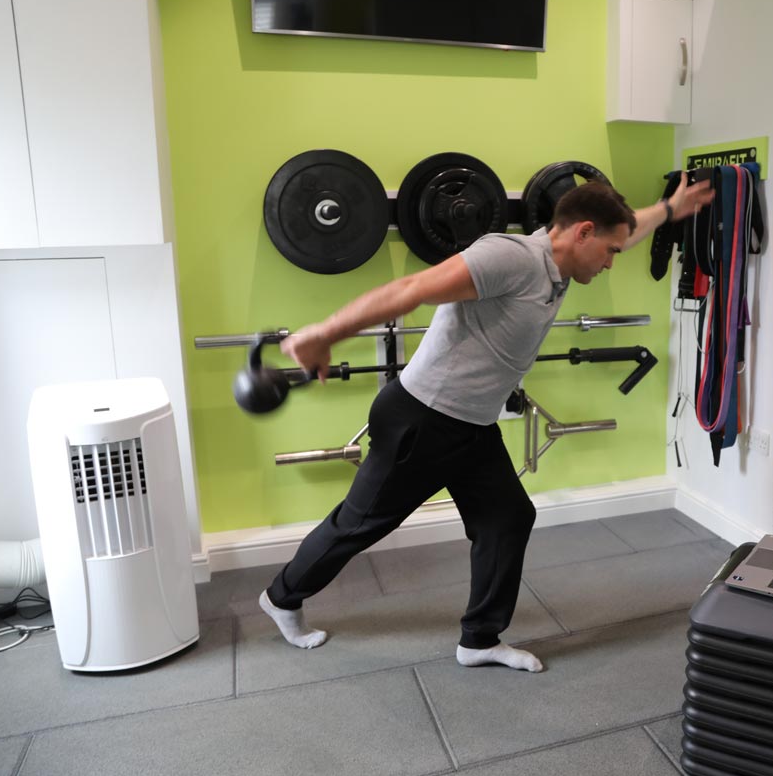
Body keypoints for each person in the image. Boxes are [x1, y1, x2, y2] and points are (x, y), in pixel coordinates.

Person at [259, 175, 714, 671]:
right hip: (422, 420)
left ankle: (479, 639)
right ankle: (282, 597)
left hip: (472, 424)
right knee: (359, 525)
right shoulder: (511, 258)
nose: (610, 262)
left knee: (508, 518)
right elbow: (411, 289)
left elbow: (628, 227)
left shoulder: (563, 262)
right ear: (582, 232)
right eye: (609, 252)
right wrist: (324, 333)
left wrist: (669, 208)